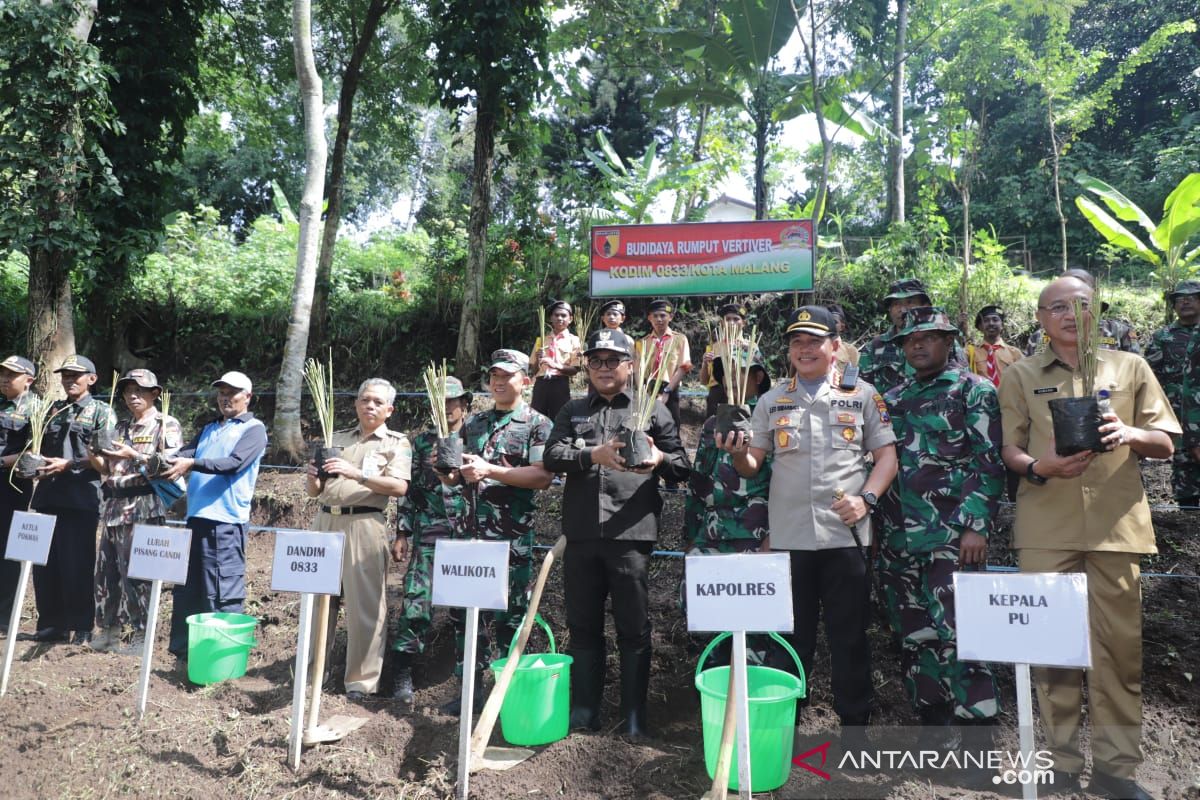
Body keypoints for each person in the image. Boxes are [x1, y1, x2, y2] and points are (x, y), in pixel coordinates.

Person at [999, 276, 1178, 800]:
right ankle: (1057, 764)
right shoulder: (1020, 374)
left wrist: (1130, 433)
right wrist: (1039, 466)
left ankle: (1116, 770)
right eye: (1057, 307)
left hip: (1115, 529)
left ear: (1096, 312)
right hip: (1045, 529)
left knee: (1117, 654)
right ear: (1040, 318)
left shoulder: (1131, 367)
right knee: (1051, 651)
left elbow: (1165, 441)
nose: (1069, 314)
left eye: (1080, 305)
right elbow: (1009, 449)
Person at [716, 306, 897, 746]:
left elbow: (887, 457)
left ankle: (854, 733)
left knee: (849, 637)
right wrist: (737, 452)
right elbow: (752, 464)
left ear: (835, 347)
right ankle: (784, 730)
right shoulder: (771, 400)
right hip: (790, 539)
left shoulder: (864, 396)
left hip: (845, 538)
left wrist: (866, 499)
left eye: (814, 341)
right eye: (797, 342)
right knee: (791, 641)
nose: (805, 349)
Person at [544, 328, 691, 738]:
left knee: (633, 628)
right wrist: (594, 453)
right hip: (582, 536)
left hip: (632, 535)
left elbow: (681, 466)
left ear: (631, 365)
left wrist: (659, 457)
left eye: (613, 360)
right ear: (586, 367)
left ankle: (633, 717)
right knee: (584, 625)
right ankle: (585, 712)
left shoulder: (652, 409)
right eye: (596, 361)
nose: (604, 368)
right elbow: (552, 456)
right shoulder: (573, 409)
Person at [876, 307, 1003, 749]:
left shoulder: (974, 390)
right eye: (909, 339)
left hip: (952, 537)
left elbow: (989, 463)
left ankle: (977, 738)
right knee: (914, 634)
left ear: (949, 340)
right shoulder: (889, 399)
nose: (917, 345)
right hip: (897, 539)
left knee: (963, 632)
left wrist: (976, 526)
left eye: (928, 337)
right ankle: (933, 724)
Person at [440, 349, 553, 715]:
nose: (499, 382)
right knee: (465, 616)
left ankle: (508, 695)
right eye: (493, 376)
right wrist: (449, 474)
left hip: (510, 540)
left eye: (507, 375)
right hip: (470, 537)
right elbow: (460, 477)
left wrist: (491, 470)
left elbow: (541, 476)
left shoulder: (537, 424)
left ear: (526, 379)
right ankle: (469, 692)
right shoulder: (473, 424)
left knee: (510, 617)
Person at [305, 378, 411, 700]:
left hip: (365, 525)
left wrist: (358, 474)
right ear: (356, 404)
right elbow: (315, 492)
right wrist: (312, 479)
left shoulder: (396, 443)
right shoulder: (334, 438)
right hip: (325, 521)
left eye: (378, 402)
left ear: (389, 410)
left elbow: (400, 487)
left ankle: (360, 684)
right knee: (318, 602)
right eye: (365, 400)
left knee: (365, 607)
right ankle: (312, 677)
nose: (370, 406)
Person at [162, 370, 267, 661]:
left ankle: (223, 660)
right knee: (189, 589)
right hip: (195, 519)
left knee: (221, 591)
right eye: (221, 392)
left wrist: (191, 463)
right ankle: (186, 655)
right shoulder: (209, 428)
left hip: (226, 523)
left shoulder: (254, 429)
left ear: (248, 397)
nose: (225, 398)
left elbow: (233, 463)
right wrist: (146, 455)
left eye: (232, 393)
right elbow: (182, 454)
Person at [25, 355, 116, 645]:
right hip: (48, 496)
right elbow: (36, 447)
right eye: (65, 374)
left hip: (81, 498)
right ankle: (52, 625)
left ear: (92, 378)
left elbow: (106, 457)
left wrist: (69, 464)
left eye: (76, 375)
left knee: (77, 563)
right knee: (45, 565)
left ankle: (81, 625)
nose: (69, 379)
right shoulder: (51, 410)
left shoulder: (102, 411)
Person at [391, 375, 471, 703]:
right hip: (429, 534)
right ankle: (401, 675)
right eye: (439, 401)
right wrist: (402, 532)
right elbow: (410, 491)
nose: (446, 407)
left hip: (469, 537)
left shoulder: (476, 437)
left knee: (466, 608)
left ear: (464, 405)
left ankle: (466, 678)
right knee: (415, 603)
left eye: (452, 401)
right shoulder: (422, 443)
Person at [91, 369, 183, 654]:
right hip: (114, 507)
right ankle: (109, 631)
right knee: (106, 573)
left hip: (143, 508)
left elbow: (168, 465)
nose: (133, 396)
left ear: (155, 393)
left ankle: (141, 635)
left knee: (138, 575)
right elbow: (108, 470)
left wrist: (135, 455)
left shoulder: (165, 424)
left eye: (140, 390)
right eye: (128, 390)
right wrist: (95, 455)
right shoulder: (120, 428)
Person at [1144, 280, 1200, 508]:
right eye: (1179, 299)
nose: (1184, 301)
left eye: (1191, 297)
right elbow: (1149, 378)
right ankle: (1188, 512)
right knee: (1185, 467)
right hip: (1179, 417)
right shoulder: (1163, 337)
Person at [860, 278, 967, 396]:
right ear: (889, 309)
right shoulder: (874, 347)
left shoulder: (944, 343)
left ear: (925, 306)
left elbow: (964, 384)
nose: (903, 309)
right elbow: (861, 391)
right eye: (896, 304)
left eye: (910, 302)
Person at [0, 355, 38, 638]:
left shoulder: (37, 409)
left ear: (29, 380)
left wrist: (4, 462)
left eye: (11, 374)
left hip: (12, 486)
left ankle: (4, 617)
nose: (4, 378)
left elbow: (34, 453)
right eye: (2, 373)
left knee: (7, 551)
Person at [1024, 269, 1140, 356]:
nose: (1072, 315)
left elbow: (1134, 371)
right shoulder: (1039, 336)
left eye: (1082, 303)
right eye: (1060, 307)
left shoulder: (1119, 331)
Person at [634, 298, 692, 427]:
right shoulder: (642, 342)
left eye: (663, 315)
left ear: (670, 317)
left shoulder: (680, 339)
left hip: (670, 387)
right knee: (647, 426)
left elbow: (684, 367)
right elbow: (637, 370)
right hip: (648, 389)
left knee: (671, 424)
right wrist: (641, 392)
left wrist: (667, 391)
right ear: (649, 318)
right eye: (655, 316)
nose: (659, 319)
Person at [697, 302, 756, 418]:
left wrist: (747, 354)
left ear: (743, 323)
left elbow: (758, 378)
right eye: (728, 319)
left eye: (736, 319)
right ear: (722, 323)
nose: (732, 323)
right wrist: (705, 363)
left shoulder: (752, 346)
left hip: (743, 395)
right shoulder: (714, 347)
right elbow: (704, 381)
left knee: (742, 431)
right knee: (715, 432)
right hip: (718, 397)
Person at [528, 299, 581, 422]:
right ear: (551, 318)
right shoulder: (541, 339)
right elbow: (534, 370)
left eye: (564, 315)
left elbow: (575, 369)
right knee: (537, 418)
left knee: (560, 419)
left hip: (560, 384)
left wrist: (555, 365)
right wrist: (537, 358)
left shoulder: (574, 341)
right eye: (556, 315)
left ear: (570, 319)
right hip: (541, 384)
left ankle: (557, 441)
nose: (560, 318)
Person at [966, 305, 1023, 388]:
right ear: (980, 327)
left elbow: (1026, 379)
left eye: (995, 320)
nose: (991, 323)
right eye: (986, 320)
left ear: (1002, 325)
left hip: (1009, 399)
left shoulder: (1015, 353)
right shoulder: (970, 353)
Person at [828, 304, 860, 370]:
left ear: (842, 326)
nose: (829, 325)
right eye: (826, 321)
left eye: (834, 322)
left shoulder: (851, 352)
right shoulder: (814, 349)